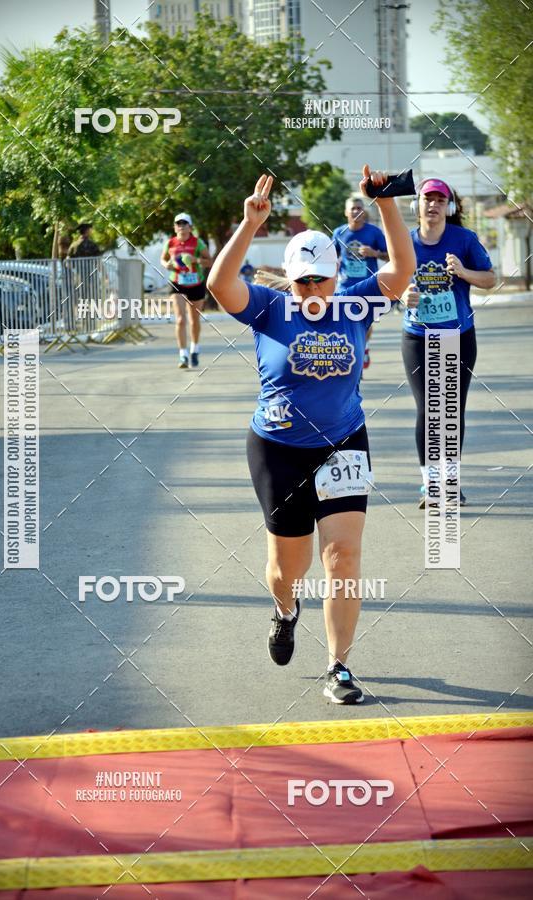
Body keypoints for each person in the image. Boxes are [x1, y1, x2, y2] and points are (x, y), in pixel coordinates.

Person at [207, 167, 415, 705]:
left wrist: (386, 201)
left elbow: (402, 269)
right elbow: (218, 286)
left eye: (321, 279)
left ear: (336, 274)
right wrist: (250, 225)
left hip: (343, 442)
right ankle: (284, 610)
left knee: (342, 556)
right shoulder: (268, 307)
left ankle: (339, 666)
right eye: (303, 281)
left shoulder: (356, 304)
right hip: (277, 449)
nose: (313, 291)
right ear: (290, 278)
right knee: (288, 569)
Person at [400, 178, 496, 508]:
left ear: (449, 206)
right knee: (429, 409)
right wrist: (402, 295)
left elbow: (490, 279)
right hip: (417, 336)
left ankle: (451, 482)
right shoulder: (405, 242)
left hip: (458, 336)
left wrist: (465, 272)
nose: (433, 205)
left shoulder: (464, 239)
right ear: (416, 204)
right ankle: (431, 485)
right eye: (428, 199)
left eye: (440, 200)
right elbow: (387, 282)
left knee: (451, 410)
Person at [333, 196, 388, 370]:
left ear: (364, 212)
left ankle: (363, 348)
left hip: (368, 286)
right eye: (353, 208)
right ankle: (351, 353)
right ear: (346, 212)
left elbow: (391, 256)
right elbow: (330, 257)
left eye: (359, 208)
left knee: (365, 322)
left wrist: (374, 253)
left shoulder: (374, 232)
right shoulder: (338, 233)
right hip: (345, 287)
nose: (356, 211)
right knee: (344, 322)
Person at [160, 213, 211, 368]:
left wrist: (197, 260)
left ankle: (194, 349)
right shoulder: (170, 243)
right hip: (177, 282)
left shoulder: (198, 243)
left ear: (190, 227)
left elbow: (209, 261)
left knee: (194, 320)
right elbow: (163, 259)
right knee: (180, 319)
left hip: (196, 283)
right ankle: (183, 355)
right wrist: (166, 264)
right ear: (175, 227)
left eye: (184, 223)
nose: (181, 226)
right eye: (178, 224)